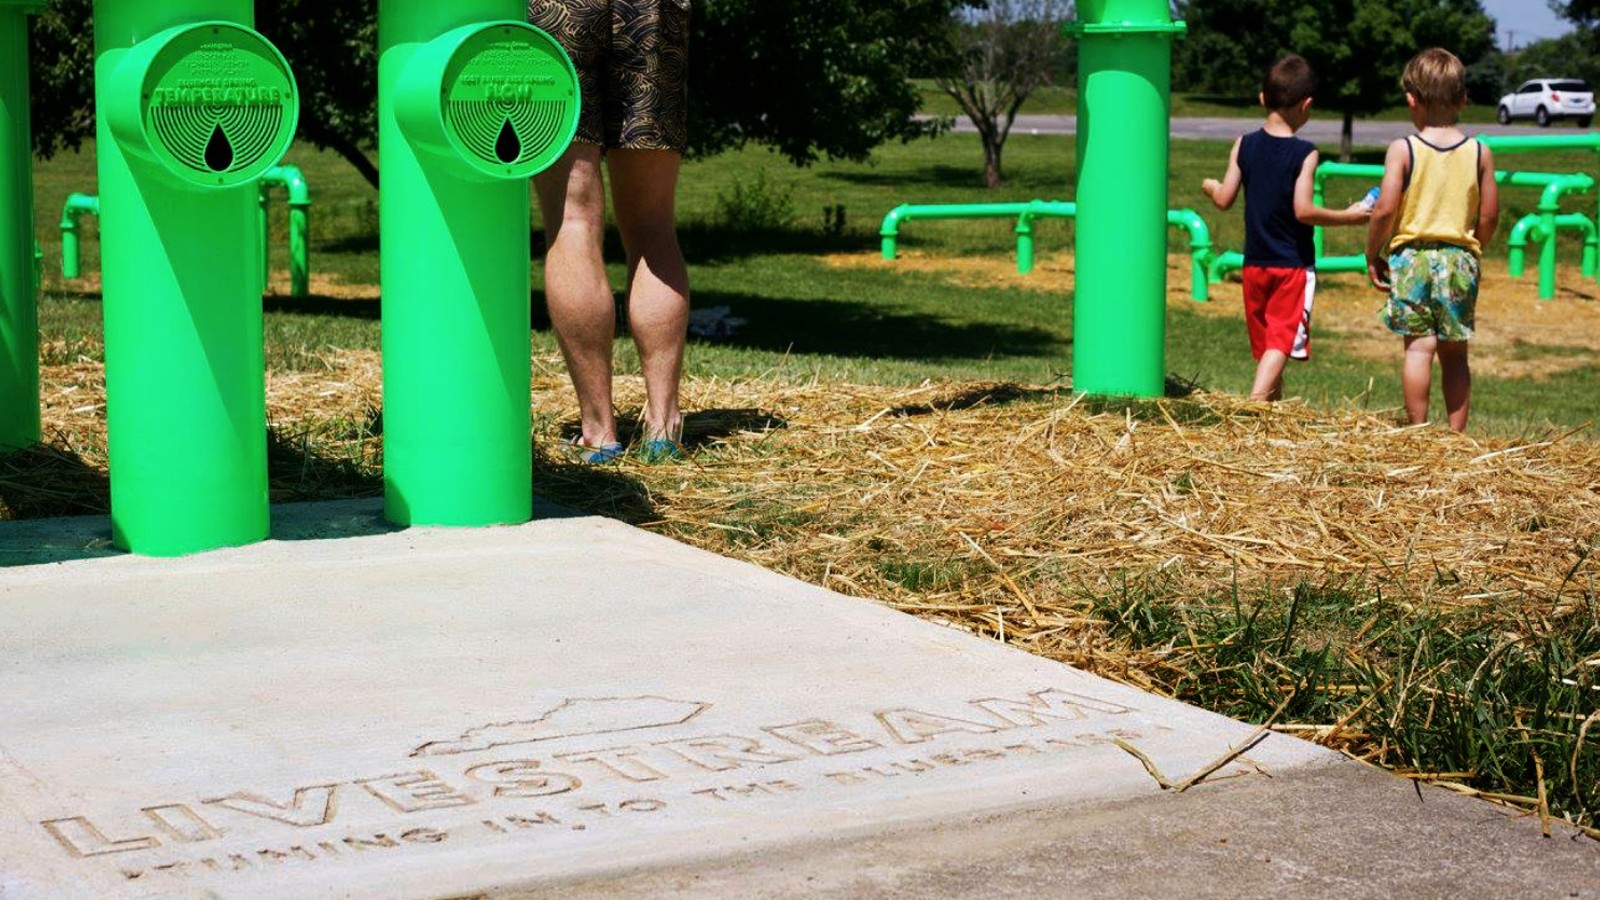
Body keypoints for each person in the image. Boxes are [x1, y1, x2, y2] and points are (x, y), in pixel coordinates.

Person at [529, 0, 692, 462]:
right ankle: (662, 427)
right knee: (653, 225)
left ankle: (599, 432)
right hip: (650, 9)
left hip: (557, 10)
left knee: (572, 219)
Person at [1202, 55, 1370, 401]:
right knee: (1280, 343)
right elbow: (1304, 210)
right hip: (1291, 265)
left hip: (1254, 265)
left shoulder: (1243, 144)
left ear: (1263, 98)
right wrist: (1349, 216)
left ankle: (1271, 418)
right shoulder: (1305, 153)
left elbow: (1224, 199)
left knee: (1269, 347)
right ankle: (1253, 408)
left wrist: (1209, 186)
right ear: (1307, 105)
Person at [1365, 48, 1498, 433]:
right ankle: (1456, 436)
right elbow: (1488, 215)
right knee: (1455, 355)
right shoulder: (1480, 152)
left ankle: (1418, 431)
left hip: (1412, 260)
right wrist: (1475, 247)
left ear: (1411, 99)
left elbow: (1385, 209)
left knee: (1419, 349)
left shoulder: (1402, 149)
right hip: (1460, 258)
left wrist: (1372, 253)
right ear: (1463, 99)